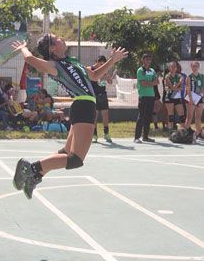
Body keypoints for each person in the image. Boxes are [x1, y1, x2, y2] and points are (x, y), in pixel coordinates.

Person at [11, 33, 128, 199]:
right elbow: (30, 59)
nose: (60, 37)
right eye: (56, 38)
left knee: (66, 152)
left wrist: (113, 61)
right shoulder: (54, 65)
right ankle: (30, 168)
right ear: (52, 48)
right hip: (84, 106)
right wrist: (23, 48)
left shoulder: (73, 62)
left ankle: (37, 176)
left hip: (82, 106)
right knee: (75, 160)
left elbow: (94, 76)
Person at [87, 55, 113, 143]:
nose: (102, 66)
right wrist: (100, 77)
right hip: (93, 96)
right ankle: (94, 135)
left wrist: (108, 78)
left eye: (103, 64)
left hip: (103, 95)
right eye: (100, 64)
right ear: (96, 62)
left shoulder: (104, 70)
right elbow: (92, 79)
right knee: (95, 116)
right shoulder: (90, 69)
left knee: (105, 115)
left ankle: (106, 134)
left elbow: (109, 82)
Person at [134, 53, 159, 143]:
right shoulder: (140, 70)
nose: (148, 61)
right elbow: (143, 83)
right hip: (143, 96)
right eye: (146, 59)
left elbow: (157, 81)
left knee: (148, 117)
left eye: (149, 60)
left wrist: (150, 83)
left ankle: (145, 136)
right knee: (141, 116)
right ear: (143, 60)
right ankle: (137, 137)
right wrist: (151, 82)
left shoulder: (152, 70)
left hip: (151, 96)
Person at [164, 61, 185, 134]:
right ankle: (170, 131)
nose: (173, 68)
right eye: (171, 67)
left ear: (176, 68)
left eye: (174, 67)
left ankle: (183, 130)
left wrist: (174, 88)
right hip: (169, 97)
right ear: (169, 68)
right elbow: (172, 88)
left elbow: (181, 88)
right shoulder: (167, 76)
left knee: (181, 114)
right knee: (171, 114)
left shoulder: (179, 76)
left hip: (177, 97)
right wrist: (178, 83)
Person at [185, 61, 204, 139]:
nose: (195, 68)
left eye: (196, 66)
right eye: (193, 66)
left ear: (199, 67)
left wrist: (201, 94)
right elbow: (188, 89)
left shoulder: (202, 76)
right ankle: (185, 133)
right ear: (191, 67)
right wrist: (191, 99)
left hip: (200, 98)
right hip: (191, 98)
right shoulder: (189, 77)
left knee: (198, 117)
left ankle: (198, 133)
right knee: (189, 117)